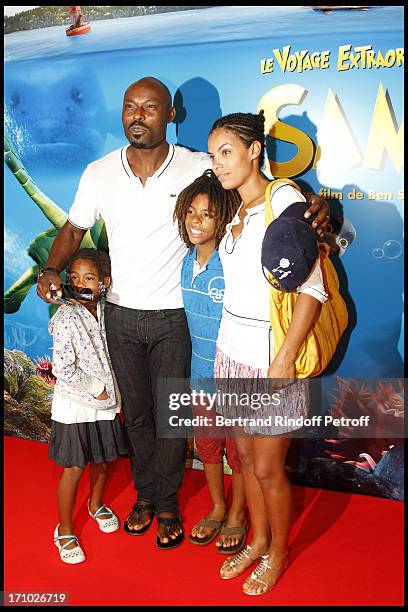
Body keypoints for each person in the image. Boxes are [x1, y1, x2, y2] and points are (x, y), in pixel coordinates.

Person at [37, 76, 330, 550]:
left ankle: (169, 502)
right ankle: (146, 497)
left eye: (150, 107)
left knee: (173, 417)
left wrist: (313, 207)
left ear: (170, 114)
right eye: (130, 106)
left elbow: (263, 196)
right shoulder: (98, 172)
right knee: (137, 417)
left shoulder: (201, 166)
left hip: (174, 318)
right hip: (120, 315)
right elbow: (74, 227)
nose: (138, 115)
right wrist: (52, 266)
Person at [207, 111, 329, 595]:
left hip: (269, 358)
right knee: (242, 455)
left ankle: (279, 551)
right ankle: (257, 541)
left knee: (265, 467)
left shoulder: (285, 200)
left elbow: (313, 290)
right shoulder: (237, 207)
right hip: (231, 353)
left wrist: (284, 358)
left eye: (227, 152)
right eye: (214, 155)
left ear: (255, 150)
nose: (218, 164)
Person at [174, 169, 249, 553]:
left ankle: (238, 515)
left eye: (206, 213)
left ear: (223, 217)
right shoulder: (184, 259)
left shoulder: (233, 262)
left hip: (235, 375)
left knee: (239, 452)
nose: (196, 220)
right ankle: (218, 508)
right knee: (207, 447)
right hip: (200, 377)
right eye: (190, 211)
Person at [47, 248, 128, 564]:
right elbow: (63, 368)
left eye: (89, 278)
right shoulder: (67, 315)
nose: (81, 284)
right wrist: (98, 390)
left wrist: (109, 395)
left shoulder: (110, 309)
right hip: (76, 405)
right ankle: (64, 529)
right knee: (75, 467)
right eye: (74, 278)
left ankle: (95, 505)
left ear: (104, 282)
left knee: (104, 460)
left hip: (105, 403)